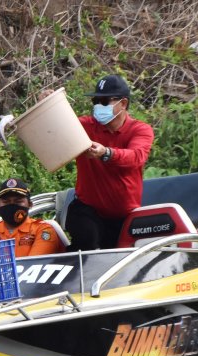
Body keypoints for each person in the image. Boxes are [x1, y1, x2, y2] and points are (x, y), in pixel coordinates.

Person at [41, 74, 154, 251]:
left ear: (123, 104)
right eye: (95, 101)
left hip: (123, 216)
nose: (98, 106)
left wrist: (106, 153)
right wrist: (47, 105)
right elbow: (56, 126)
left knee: (115, 256)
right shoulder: (84, 127)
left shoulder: (140, 130)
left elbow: (136, 157)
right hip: (87, 209)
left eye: (104, 101)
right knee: (86, 242)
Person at [0, 178, 63, 256]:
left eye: (18, 201)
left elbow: (33, 266)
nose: (11, 205)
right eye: (6, 202)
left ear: (30, 204)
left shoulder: (43, 230)